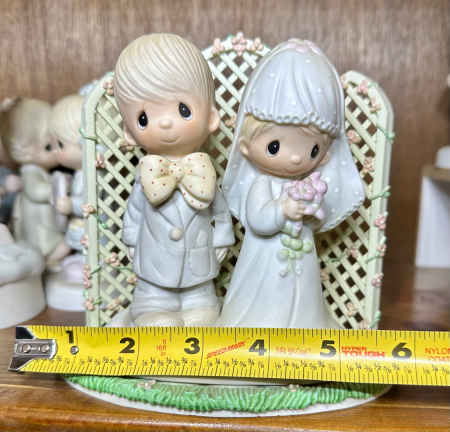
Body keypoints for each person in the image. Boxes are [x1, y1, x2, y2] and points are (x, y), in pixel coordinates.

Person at [216, 39, 365, 329]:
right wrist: (283, 209)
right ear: (246, 147)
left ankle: (304, 326)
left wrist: (312, 209)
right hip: (264, 262)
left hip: (301, 259)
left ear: (325, 154)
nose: (295, 158)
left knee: (303, 297)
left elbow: (316, 221)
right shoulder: (262, 183)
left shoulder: (308, 183)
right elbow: (258, 221)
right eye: (274, 146)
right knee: (262, 303)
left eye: (312, 150)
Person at [114, 33, 235, 327]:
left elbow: (220, 211)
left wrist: (222, 237)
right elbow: (134, 212)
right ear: (129, 132)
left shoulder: (202, 171)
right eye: (144, 118)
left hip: (199, 270)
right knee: (158, 323)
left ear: (211, 118)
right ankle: (152, 309)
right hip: (154, 270)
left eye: (183, 110)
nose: (166, 122)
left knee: (203, 319)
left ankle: (198, 306)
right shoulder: (148, 175)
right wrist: (131, 241)